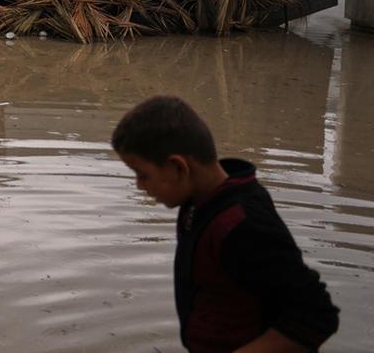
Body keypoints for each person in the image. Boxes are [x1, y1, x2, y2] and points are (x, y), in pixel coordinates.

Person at [112, 96, 339, 352]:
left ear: (178, 167)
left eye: (143, 174)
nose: (139, 185)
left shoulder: (240, 225)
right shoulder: (199, 205)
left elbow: (317, 315)